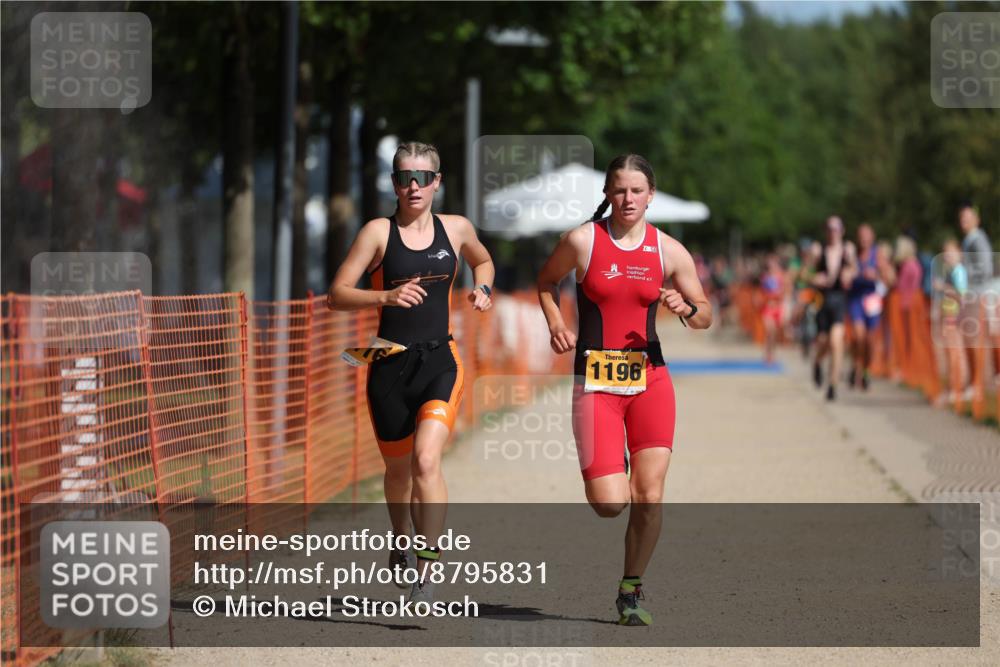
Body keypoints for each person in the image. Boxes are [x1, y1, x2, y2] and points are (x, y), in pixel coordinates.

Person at [536, 154, 711, 626]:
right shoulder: (582, 241)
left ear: (650, 195)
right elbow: (546, 282)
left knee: (649, 494)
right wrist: (556, 322)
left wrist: (686, 307)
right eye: (619, 190)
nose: (628, 198)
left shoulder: (669, 251)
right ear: (607, 194)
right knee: (611, 503)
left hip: (651, 380)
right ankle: (614, 459)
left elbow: (706, 314)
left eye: (637, 190)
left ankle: (630, 589)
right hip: (595, 383)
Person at [326, 141, 495, 602]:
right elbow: (336, 294)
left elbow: (483, 259)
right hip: (387, 362)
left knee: (426, 460)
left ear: (438, 182)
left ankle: (429, 565)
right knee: (398, 472)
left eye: (422, 177)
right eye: (404, 177)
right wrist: (384, 297)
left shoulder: (456, 228)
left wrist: (482, 288)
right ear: (394, 183)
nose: (413, 186)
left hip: (441, 359)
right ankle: (400, 538)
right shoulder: (377, 233)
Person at [812, 216, 855, 401]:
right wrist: (815, 278)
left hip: (839, 299)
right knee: (824, 342)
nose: (833, 232)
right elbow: (804, 272)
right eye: (830, 229)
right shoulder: (818, 250)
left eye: (836, 229)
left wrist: (849, 274)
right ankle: (817, 362)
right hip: (822, 300)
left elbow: (855, 269)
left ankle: (833, 384)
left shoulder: (848, 249)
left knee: (837, 342)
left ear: (842, 231)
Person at [847, 224, 895, 391]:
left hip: (872, 300)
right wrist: (849, 275)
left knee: (869, 340)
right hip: (856, 299)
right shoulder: (853, 254)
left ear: (872, 237)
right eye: (861, 236)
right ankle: (855, 366)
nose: (864, 239)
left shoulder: (878, 254)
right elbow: (845, 274)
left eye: (867, 236)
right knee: (858, 336)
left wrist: (877, 275)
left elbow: (890, 278)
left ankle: (866, 370)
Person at [958, 203, 993, 400]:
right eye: (962, 218)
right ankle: (976, 383)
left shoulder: (977, 240)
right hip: (973, 295)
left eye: (967, 217)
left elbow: (985, 268)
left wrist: (967, 278)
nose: (964, 221)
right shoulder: (969, 240)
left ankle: (978, 385)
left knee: (976, 341)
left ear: (976, 220)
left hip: (977, 295)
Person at [892, 235, 923, 381]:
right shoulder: (911, 264)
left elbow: (903, 286)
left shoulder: (909, 265)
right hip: (910, 304)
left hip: (908, 305)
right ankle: (908, 368)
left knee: (909, 338)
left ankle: (909, 368)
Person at [759, 253, 786, 364]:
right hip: (768, 308)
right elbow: (762, 293)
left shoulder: (780, 276)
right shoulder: (765, 278)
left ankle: (772, 353)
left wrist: (777, 296)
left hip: (778, 308)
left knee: (774, 333)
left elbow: (784, 291)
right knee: (770, 330)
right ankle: (767, 354)